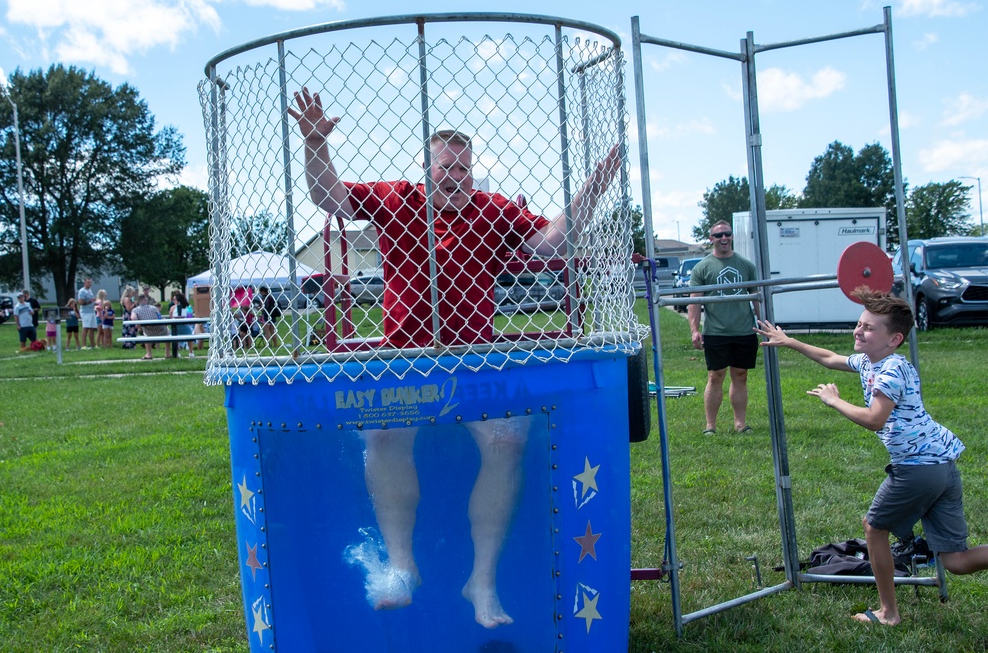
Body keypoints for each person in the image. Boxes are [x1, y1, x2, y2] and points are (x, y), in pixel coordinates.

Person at [287, 86, 620, 627]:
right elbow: (329, 198)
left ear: (473, 171)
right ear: (428, 170)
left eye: (463, 169)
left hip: (476, 364)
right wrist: (315, 144)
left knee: (508, 441)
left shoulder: (492, 211)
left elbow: (549, 247)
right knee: (384, 434)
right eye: (445, 168)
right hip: (405, 362)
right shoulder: (398, 200)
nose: (455, 177)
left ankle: (480, 581)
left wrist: (593, 188)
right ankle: (401, 568)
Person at [755, 286, 988, 627]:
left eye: (868, 327)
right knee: (956, 560)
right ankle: (888, 609)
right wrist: (790, 342)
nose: (858, 330)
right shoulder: (870, 360)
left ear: (894, 339)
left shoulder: (890, 371)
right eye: (859, 323)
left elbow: (875, 418)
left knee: (874, 529)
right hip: (942, 464)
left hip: (917, 468)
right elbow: (831, 358)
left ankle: (888, 613)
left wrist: (834, 401)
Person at [687, 220, 760, 435]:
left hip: (744, 331)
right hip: (716, 332)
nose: (724, 238)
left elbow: (757, 298)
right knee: (715, 376)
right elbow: (694, 302)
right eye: (718, 235)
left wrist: (765, 325)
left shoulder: (746, 266)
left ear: (732, 236)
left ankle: (740, 424)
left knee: (741, 375)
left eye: (727, 234)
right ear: (711, 239)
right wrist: (694, 330)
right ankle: (710, 426)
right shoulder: (702, 268)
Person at [132, 294, 170, 360]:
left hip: (149, 333)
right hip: (161, 331)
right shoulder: (154, 308)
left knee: (145, 333)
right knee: (168, 331)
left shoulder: (135, 310)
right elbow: (160, 318)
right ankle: (167, 353)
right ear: (145, 300)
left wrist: (138, 325)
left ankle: (149, 354)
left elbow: (133, 317)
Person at [169, 291, 196, 358]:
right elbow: (171, 316)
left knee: (189, 336)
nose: (173, 300)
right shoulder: (173, 307)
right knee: (176, 336)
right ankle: (179, 352)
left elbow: (190, 315)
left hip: (184, 325)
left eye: (174, 299)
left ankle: (190, 352)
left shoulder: (188, 307)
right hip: (177, 325)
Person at [77, 277, 98, 349]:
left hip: (92, 311)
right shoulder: (82, 291)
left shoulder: (90, 290)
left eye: (90, 282)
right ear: (85, 283)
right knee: (85, 327)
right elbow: (80, 302)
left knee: (92, 328)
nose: (90, 284)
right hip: (85, 312)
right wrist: (90, 301)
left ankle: (93, 345)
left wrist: (95, 303)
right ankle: (84, 345)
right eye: (88, 282)